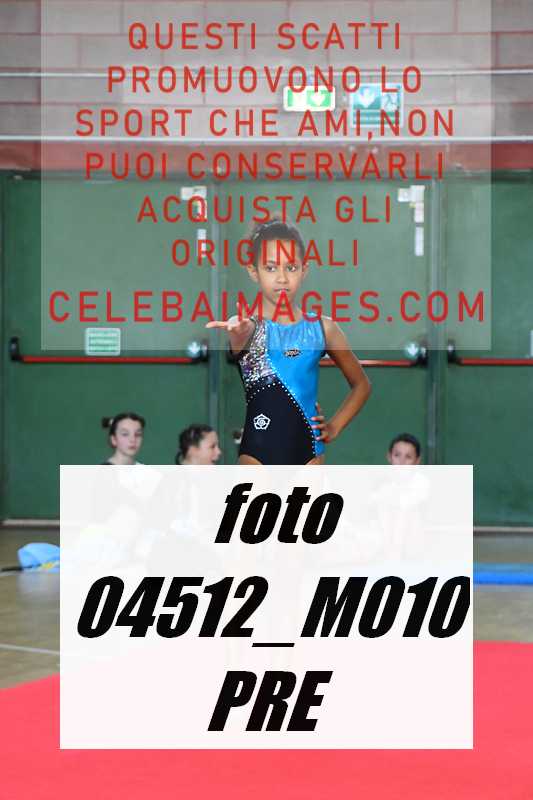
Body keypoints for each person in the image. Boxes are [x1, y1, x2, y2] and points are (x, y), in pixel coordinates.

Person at [206, 219, 371, 465]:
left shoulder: (323, 329)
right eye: (271, 268)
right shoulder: (247, 327)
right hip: (256, 458)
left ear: (304, 269)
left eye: (291, 267)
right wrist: (238, 330)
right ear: (253, 271)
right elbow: (241, 331)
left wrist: (334, 427)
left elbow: (362, 384)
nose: (282, 278)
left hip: (309, 457)